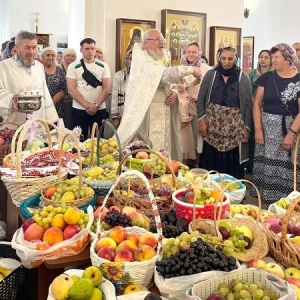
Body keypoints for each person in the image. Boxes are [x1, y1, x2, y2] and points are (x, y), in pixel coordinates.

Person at [117, 29, 201, 161]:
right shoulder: (143, 60)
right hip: (148, 114)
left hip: (164, 111)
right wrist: (191, 69)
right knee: (148, 154)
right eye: (158, 40)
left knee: (163, 152)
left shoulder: (156, 59)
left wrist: (173, 92)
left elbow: (164, 82)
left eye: (163, 40)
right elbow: (163, 75)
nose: (162, 43)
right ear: (146, 43)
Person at [252, 43, 300, 205]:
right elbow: (257, 104)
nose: (273, 60)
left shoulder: (299, 80)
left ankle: (287, 203)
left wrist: (291, 133)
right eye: (272, 57)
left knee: (289, 165)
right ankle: (268, 202)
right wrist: (258, 129)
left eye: (276, 57)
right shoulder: (267, 77)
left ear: (288, 58)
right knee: (267, 163)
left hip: (289, 129)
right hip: (266, 130)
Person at [197, 47, 253, 178]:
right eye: (223, 58)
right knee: (210, 165)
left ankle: (232, 195)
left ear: (235, 59)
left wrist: (247, 128)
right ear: (219, 58)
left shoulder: (243, 78)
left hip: (235, 130)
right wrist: (201, 120)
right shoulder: (211, 75)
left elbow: (248, 105)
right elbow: (201, 99)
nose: (227, 62)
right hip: (212, 128)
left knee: (232, 168)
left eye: (230, 58)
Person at [0, 30, 58, 124]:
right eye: (27, 47)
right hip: (16, 123)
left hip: (38, 120)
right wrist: (11, 98)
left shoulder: (39, 66)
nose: (31, 52)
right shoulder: (3, 67)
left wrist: (50, 120)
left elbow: (44, 91)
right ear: (17, 47)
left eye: (34, 47)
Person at [66, 38, 111, 139]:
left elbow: (106, 88)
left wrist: (95, 105)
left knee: (98, 138)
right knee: (79, 139)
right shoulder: (73, 66)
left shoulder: (104, 66)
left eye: (92, 48)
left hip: (99, 108)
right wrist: (87, 105)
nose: (90, 51)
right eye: (87, 48)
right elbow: (71, 89)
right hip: (80, 108)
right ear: (81, 50)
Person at [180, 42, 212, 166]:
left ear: (200, 53)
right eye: (189, 52)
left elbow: (211, 90)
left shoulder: (207, 69)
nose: (191, 54)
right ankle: (185, 166)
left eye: (194, 52)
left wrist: (198, 97)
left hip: (200, 108)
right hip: (183, 108)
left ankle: (198, 165)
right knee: (185, 139)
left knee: (199, 139)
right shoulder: (181, 68)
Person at [245, 50, 273, 173]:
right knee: (252, 135)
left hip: (268, 108)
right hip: (253, 107)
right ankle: (251, 165)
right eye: (261, 57)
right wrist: (254, 103)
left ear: (271, 59)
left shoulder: (274, 74)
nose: (263, 59)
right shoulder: (252, 74)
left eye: (266, 57)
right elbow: (248, 89)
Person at [41, 47, 66, 119]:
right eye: (47, 55)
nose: (50, 57)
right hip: (41, 106)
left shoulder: (60, 71)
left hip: (57, 106)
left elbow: (63, 89)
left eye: (52, 55)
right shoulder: (38, 69)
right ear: (42, 57)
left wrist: (50, 103)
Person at [111, 50, 132, 129]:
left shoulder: (142, 76)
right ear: (126, 60)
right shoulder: (119, 75)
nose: (132, 61)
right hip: (122, 112)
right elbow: (115, 97)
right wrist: (115, 117)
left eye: (135, 59)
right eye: (130, 59)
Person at [177, 79, 197, 163]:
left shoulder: (189, 97)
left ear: (186, 84)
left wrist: (187, 121)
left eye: (181, 83)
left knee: (185, 147)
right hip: (176, 125)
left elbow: (193, 113)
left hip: (185, 127)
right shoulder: (174, 96)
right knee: (177, 145)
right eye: (176, 83)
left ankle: (184, 166)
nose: (179, 85)